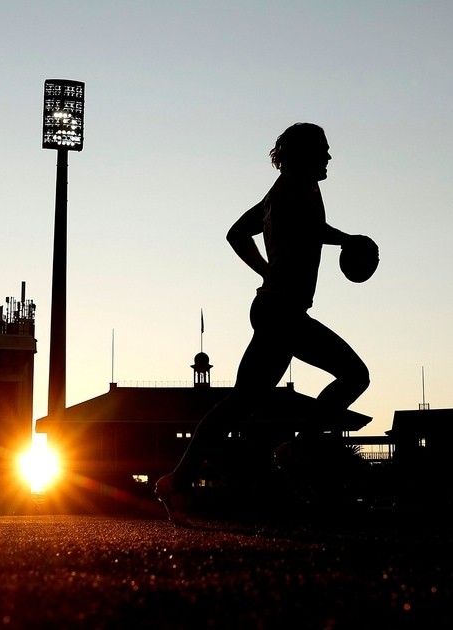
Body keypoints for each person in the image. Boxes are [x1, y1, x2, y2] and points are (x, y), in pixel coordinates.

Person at [155, 122, 372, 525]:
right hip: (282, 312)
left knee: (239, 404)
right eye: (322, 149)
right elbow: (307, 229)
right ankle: (300, 448)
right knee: (354, 375)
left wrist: (266, 271)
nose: (328, 157)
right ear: (303, 154)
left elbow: (237, 233)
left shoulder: (280, 191)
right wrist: (346, 240)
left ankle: (177, 481)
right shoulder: (296, 185)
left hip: (274, 306)